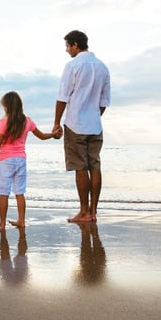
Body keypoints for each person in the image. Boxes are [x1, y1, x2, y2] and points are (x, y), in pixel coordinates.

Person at [53, 30, 110, 223]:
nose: (67, 50)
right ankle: (93, 212)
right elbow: (104, 102)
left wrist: (56, 123)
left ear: (75, 45)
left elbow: (63, 96)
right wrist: (93, 115)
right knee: (95, 166)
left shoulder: (73, 65)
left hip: (75, 124)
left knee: (80, 168)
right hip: (95, 125)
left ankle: (84, 211)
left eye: (68, 46)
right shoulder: (103, 67)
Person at [0, 91, 60, 229]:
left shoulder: (4, 122)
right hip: (21, 159)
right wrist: (53, 135)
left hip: (6, 160)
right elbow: (42, 136)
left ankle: (2, 223)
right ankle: (21, 221)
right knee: (20, 192)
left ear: (6, 106)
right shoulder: (27, 121)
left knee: (4, 193)